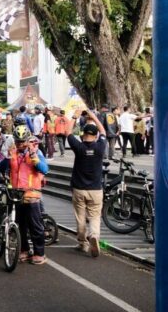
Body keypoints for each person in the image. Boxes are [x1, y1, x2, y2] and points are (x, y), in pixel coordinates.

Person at [66, 110, 106, 258]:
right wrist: (93, 117)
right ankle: (94, 235)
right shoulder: (100, 147)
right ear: (95, 136)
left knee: (80, 217)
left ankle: (83, 243)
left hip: (79, 189)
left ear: (83, 135)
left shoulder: (79, 147)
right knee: (95, 216)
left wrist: (75, 116)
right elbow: (103, 130)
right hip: (96, 189)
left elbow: (68, 132)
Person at [9, 125, 49, 265]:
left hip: (32, 196)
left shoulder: (36, 152)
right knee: (21, 226)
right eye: (18, 141)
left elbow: (45, 169)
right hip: (17, 195)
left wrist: (35, 158)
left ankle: (39, 253)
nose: (20, 144)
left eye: (23, 141)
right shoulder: (13, 152)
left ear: (28, 140)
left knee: (35, 227)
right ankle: (24, 250)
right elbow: (4, 166)